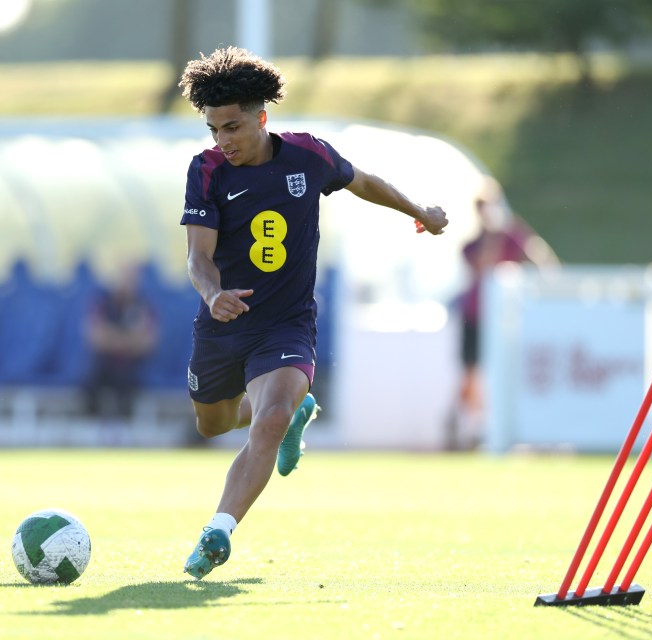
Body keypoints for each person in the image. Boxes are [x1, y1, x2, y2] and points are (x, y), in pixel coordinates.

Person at [177, 46, 449, 579]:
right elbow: (198, 257)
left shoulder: (308, 156)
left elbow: (362, 181)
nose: (223, 141)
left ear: (261, 117)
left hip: (286, 323)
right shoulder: (206, 170)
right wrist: (213, 296)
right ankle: (294, 411)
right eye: (213, 130)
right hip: (224, 322)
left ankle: (219, 530)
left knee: (271, 417)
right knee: (213, 425)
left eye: (232, 127)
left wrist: (418, 211)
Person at [454, 177, 558, 448]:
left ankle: (486, 427)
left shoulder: (514, 236)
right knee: (470, 374)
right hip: (475, 315)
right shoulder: (473, 244)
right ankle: (472, 426)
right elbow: (482, 266)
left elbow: (542, 260)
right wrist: (493, 237)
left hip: (504, 318)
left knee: (505, 372)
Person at [81, 264, 157, 421]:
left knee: (128, 387)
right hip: (104, 365)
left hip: (133, 368)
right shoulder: (102, 303)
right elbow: (95, 337)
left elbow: (147, 342)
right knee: (88, 383)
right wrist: (129, 339)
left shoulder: (144, 305)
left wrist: (112, 337)